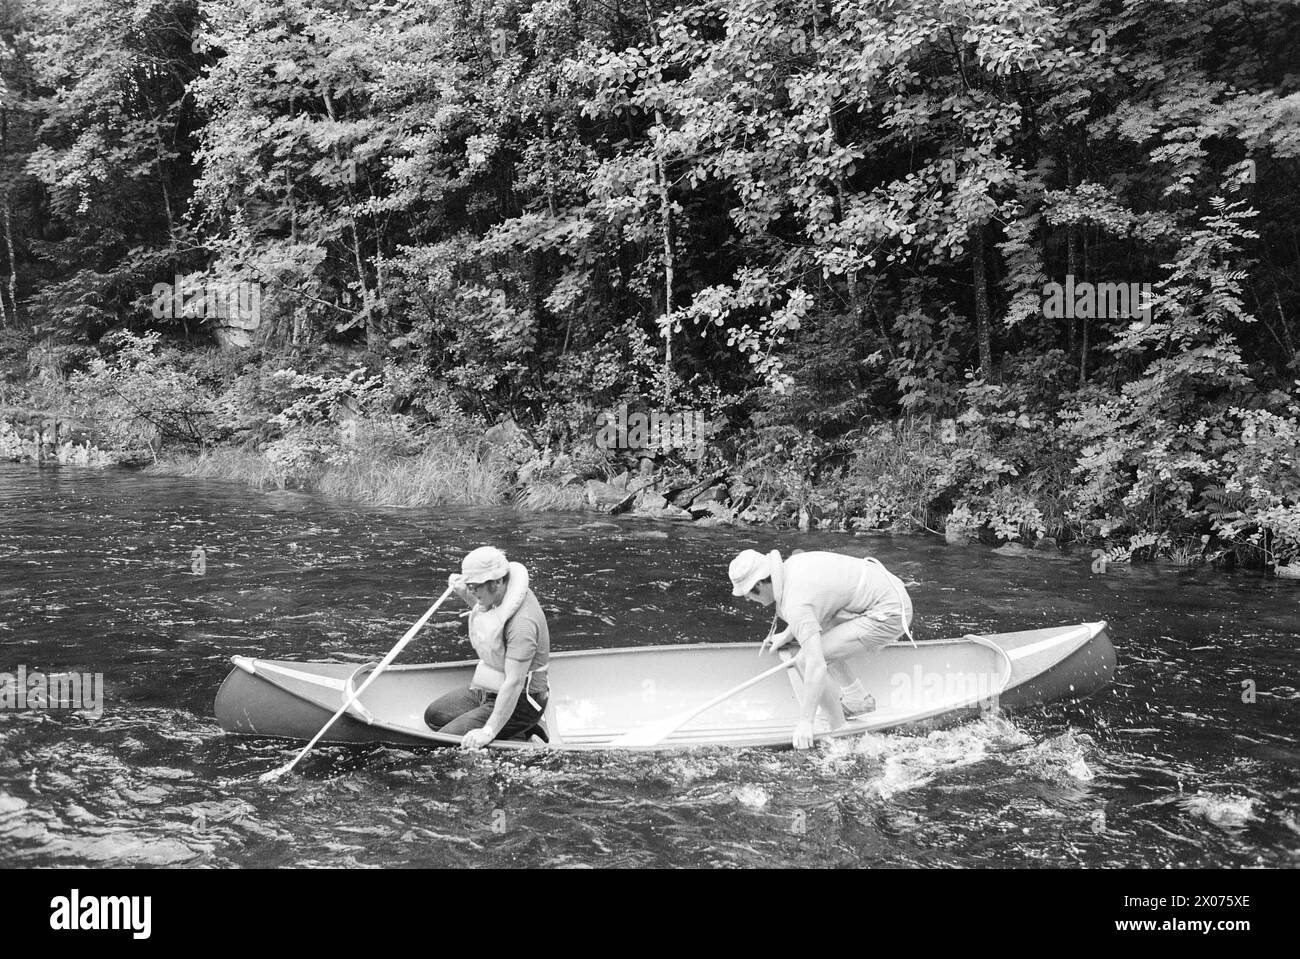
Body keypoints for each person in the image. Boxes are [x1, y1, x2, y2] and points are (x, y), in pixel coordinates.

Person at [728, 549, 913, 750]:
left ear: (760, 584)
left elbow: (815, 664)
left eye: (747, 594)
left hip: (890, 611)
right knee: (809, 641)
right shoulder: (792, 568)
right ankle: (857, 698)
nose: (747, 600)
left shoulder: (796, 603)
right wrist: (788, 634)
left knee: (805, 659)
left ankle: (840, 733)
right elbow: (817, 603)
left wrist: (805, 721)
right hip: (884, 592)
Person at [425, 546, 550, 749]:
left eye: (475, 586)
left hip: (521, 701)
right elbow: (488, 616)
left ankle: (527, 726)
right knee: (434, 716)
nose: (472, 590)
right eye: (470, 585)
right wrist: (465, 592)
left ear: (498, 581)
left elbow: (514, 682)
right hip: (490, 689)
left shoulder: (522, 625)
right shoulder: (500, 594)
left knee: (443, 743)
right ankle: (522, 731)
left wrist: (488, 731)